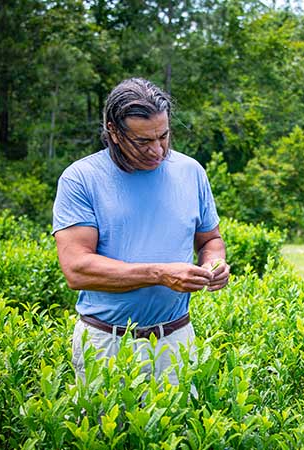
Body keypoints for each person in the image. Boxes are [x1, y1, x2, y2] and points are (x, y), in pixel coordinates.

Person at [52, 77, 230, 385]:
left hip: (176, 340)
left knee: (181, 432)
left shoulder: (191, 171)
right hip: (106, 344)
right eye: (143, 142)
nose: (157, 150)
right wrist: (159, 274)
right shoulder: (81, 178)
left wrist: (213, 263)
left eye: (163, 136)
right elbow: (77, 269)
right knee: (105, 433)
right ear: (114, 132)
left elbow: (210, 239)